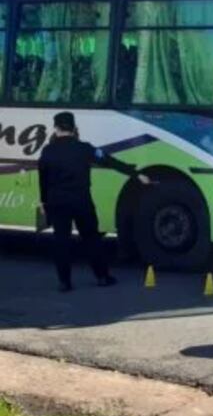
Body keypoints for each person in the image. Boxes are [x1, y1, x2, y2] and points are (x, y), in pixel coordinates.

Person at [38, 112, 150, 292]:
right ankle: (102, 277)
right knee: (91, 239)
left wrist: (44, 202)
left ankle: (64, 282)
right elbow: (110, 161)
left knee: (61, 241)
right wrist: (136, 174)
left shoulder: (48, 151)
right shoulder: (85, 148)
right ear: (74, 128)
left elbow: (43, 179)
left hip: (57, 201)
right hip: (81, 201)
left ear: (56, 128)